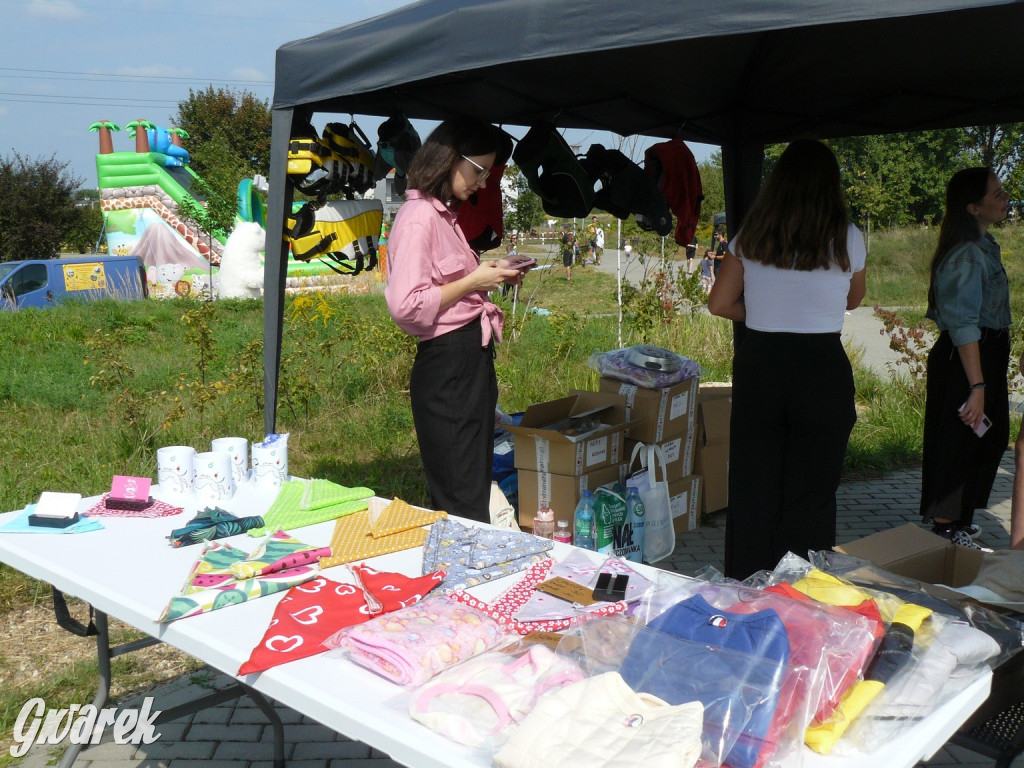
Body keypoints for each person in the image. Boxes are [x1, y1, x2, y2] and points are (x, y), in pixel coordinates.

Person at [708, 140, 867, 579]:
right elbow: (855, 298)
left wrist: (761, 313)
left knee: (754, 483)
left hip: (761, 361)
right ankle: (804, 587)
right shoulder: (848, 237)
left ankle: (746, 583)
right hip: (821, 364)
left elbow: (719, 304)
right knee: (813, 488)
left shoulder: (751, 236)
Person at [384, 118, 530, 523]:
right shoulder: (418, 218)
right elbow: (406, 305)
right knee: (461, 496)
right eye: (479, 170)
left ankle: (470, 575)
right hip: (449, 367)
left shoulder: (443, 216)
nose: (483, 183)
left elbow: (448, 283)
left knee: (471, 483)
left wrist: (490, 271)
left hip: (469, 360)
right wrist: (476, 279)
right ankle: (461, 578)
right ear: (449, 160)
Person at [920, 167, 1010, 550]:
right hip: (967, 359)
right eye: (997, 194)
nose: (1005, 198)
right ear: (973, 207)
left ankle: (960, 525)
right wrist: (977, 386)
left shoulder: (985, 246)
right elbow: (963, 323)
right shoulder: (967, 255)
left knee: (985, 437)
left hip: (983, 355)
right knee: (958, 442)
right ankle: (945, 531)